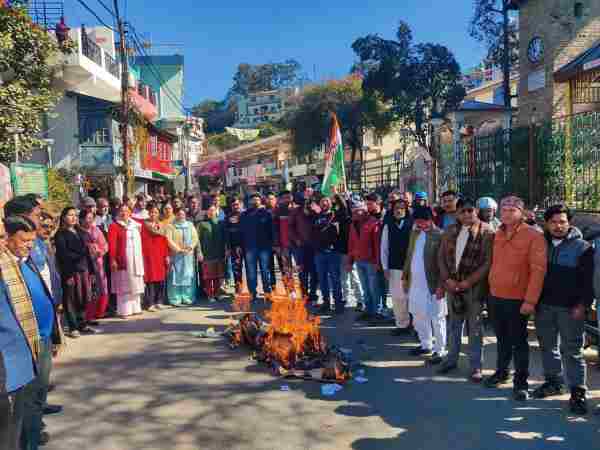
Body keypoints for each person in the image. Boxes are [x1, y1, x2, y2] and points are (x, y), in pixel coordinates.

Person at [0, 216, 63, 450]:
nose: (29, 244)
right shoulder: (6, 266)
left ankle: (33, 439)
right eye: (24, 239)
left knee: (36, 395)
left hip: (39, 339)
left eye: (32, 240)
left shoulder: (24, 261)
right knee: (21, 407)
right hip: (17, 352)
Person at [532, 204, 593, 414]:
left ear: (569, 223)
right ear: (546, 224)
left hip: (570, 309)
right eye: (554, 222)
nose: (558, 226)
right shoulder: (540, 244)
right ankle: (553, 382)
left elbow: (588, 282)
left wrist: (583, 305)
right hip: (544, 306)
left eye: (562, 222)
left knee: (572, 351)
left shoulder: (583, 248)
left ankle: (577, 392)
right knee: (547, 347)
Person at [484, 195, 547, 401]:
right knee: (501, 338)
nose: (507, 213)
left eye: (512, 210)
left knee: (519, 342)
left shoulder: (533, 236)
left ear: (521, 213)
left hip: (518, 299)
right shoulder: (498, 233)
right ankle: (502, 372)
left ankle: (521, 382)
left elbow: (538, 271)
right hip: (495, 296)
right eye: (504, 210)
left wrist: (530, 301)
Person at [437, 198, 494, 382]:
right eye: (463, 211)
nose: (467, 215)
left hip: (474, 289)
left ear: (476, 211)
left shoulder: (487, 231)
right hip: (453, 287)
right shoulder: (450, 231)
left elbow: (487, 262)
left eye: (470, 211)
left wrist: (468, 282)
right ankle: (451, 359)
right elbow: (442, 257)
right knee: (454, 325)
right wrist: (447, 280)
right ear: (457, 213)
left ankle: (476, 366)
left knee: (475, 329)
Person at [402, 206, 446, 364]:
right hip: (415, 283)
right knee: (418, 315)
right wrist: (405, 276)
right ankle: (425, 344)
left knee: (437, 317)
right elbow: (410, 255)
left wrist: (442, 285)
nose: (421, 225)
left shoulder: (440, 235)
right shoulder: (415, 233)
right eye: (418, 222)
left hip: (434, 284)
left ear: (431, 219)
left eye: (424, 221)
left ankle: (439, 351)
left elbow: (445, 263)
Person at [54, 207, 95, 336]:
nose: (73, 218)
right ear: (63, 217)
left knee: (82, 297)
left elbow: (87, 252)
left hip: (84, 270)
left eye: (75, 215)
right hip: (71, 270)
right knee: (70, 299)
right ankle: (73, 327)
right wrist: (68, 274)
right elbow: (63, 256)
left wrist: (92, 270)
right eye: (70, 215)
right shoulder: (60, 234)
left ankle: (82, 323)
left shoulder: (80, 231)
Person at [380, 199, 413, 336]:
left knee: (412, 298)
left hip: (410, 268)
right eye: (396, 209)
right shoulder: (388, 226)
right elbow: (384, 248)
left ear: (406, 210)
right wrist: (385, 267)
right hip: (394, 267)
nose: (399, 211)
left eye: (401, 208)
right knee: (397, 298)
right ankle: (402, 325)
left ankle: (416, 326)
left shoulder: (413, 225)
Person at [108, 204, 145, 318]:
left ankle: (135, 307)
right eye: (121, 211)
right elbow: (112, 244)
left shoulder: (136, 225)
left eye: (126, 210)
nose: (124, 213)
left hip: (136, 257)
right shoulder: (114, 226)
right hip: (123, 258)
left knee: (135, 283)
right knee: (124, 285)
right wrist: (113, 259)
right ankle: (124, 310)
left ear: (130, 212)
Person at [348, 201, 381, 321]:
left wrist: (378, 262)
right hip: (359, 260)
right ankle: (368, 310)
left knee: (373, 288)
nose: (355, 213)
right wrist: (349, 261)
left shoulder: (373, 223)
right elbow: (351, 243)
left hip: (371, 262)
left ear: (364, 211)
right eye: (354, 212)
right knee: (365, 288)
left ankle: (376, 312)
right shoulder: (353, 224)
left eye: (357, 211)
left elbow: (377, 245)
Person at [313, 195, 344, 314]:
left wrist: (336, 194)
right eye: (322, 201)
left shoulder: (336, 215)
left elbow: (344, 208)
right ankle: (326, 303)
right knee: (322, 280)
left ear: (330, 203)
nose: (324, 203)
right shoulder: (316, 216)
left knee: (335, 279)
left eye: (326, 201)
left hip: (333, 252)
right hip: (319, 253)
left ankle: (338, 304)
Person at [78, 208, 110, 323]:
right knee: (88, 289)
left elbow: (105, 245)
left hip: (98, 263)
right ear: (81, 219)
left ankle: (99, 313)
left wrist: (100, 252)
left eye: (92, 218)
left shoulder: (96, 230)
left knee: (101, 287)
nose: (90, 220)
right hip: (85, 264)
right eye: (88, 218)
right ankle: (87, 316)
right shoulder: (77, 231)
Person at [240, 193, 273, 301]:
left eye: (257, 199)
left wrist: (273, 245)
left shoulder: (266, 213)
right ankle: (252, 294)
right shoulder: (244, 215)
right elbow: (241, 232)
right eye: (253, 199)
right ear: (249, 201)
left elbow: (271, 231)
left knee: (265, 271)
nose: (255, 201)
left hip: (264, 248)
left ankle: (267, 293)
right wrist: (240, 245)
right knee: (251, 272)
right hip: (249, 248)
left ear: (260, 201)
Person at [165, 208, 199, 306]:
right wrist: (178, 249)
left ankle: (187, 297)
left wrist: (190, 247)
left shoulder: (190, 225)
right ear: (176, 215)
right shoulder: (171, 226)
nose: (181, 216)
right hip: (176, 255)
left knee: (188, 275)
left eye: (183, 214)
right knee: (175, 276)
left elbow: (195, 238)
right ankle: (175, 298)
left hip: (188, 255)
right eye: (179, 214)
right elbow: (168, 239)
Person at [334, 194, 362, 307]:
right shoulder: (344, 217)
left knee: (355, 276)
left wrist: (337, 194)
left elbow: (344, 206)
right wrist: (337, 195)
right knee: (344, 277)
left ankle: (360, 299)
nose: (353, 209)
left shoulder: (355, 219)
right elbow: (342, 206)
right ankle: (345, 297)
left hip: (354, 252)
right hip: (344, 250)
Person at [289, 196, 318, 304]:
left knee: (314, 272)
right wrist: (296, 239)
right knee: (302, 272)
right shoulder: (296, 211)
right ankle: (304, 294)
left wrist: (313, 210)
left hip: (314, 247)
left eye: (308, 201)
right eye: (305, 201)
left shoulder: (314, 210)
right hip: (300, 247)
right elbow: (290, 227)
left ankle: (313, 294)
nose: (306, 203)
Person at [141, 203, 170, 311]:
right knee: (150, 280)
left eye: (156, 212)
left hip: (160, 254)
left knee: (160, 279)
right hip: (148, 255)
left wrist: (166, 255)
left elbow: (164, 241)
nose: (153, 214)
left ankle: (159, 301)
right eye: (152, 212)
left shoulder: (162, 226)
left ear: (158, 214)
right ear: (148, 212)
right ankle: (150, 303)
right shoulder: (144, 225)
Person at [197, 205, 226, 302]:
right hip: (207, 254)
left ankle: (217, 294)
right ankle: (210, 295)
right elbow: (198, 240)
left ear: (217, 212)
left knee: (218, 276)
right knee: (208, 277)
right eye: (209, 210)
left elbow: (225, 238)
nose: (211, 212)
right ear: (207, 213)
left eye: (213, 210)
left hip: (219, 253)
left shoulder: (221, 223)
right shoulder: (202, 224)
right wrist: (199, 252)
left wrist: (226, 249)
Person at [273, 191, 295, 287]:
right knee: (287, 269)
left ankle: (303, 291)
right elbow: (275, 229)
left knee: (301, 269)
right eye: (284, 197)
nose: (287, 199)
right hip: (284, 245)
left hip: (297, 244)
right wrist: (276, 244)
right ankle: (290, 289)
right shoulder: (277, 211)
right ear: (281, 199)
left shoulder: (298, 208)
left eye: (289, 197)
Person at [225, 196, 244, 294]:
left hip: (247, 245)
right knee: (236, 268)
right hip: (235, 246)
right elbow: (227, 233)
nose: (235, 206)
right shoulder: (228, 217)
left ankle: (251, 290)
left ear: (240, 204)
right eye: (233, 205)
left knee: (250, 269)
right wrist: (228, 247)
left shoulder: (246, 214)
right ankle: (238, 289)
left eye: (237, 204)